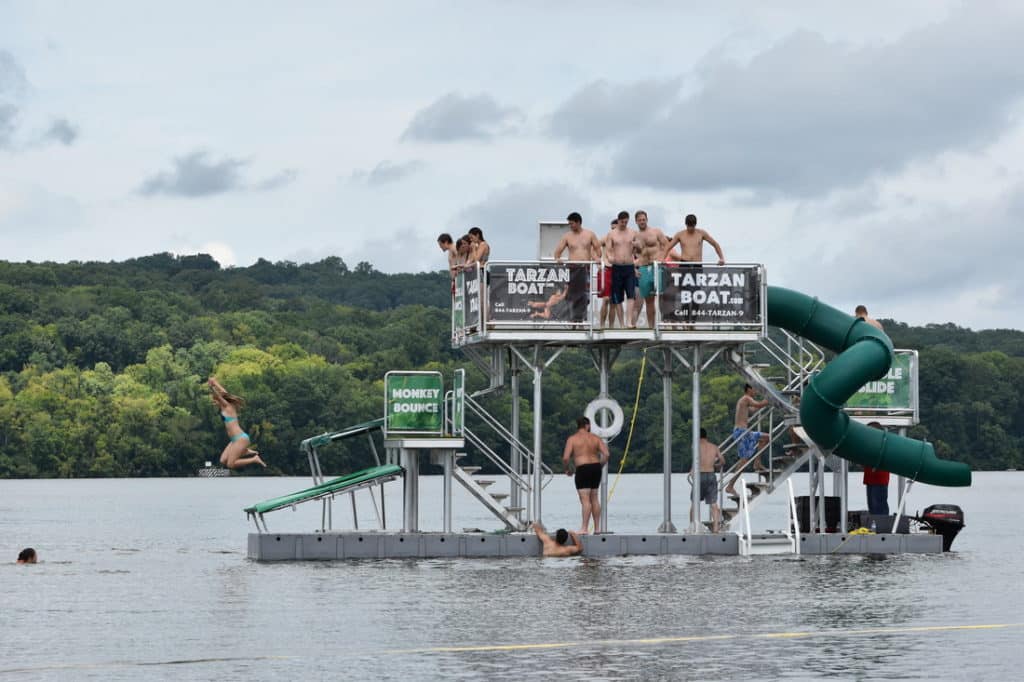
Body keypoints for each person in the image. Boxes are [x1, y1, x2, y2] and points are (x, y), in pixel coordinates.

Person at [562, 416, 610, 534]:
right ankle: (597, 528)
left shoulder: (572, 439)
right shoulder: (596, 438)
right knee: (594, 498)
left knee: (585, 500)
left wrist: (568, 469)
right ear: (587, 425)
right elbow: (607, 454)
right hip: (595, 467)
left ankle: (584, 528)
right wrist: (600, 465)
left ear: (578, 426)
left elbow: (566, 458)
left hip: (582, 468)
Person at [553, 212, 603, 322]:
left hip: (585, 268)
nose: (570, 226)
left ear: (578, 222)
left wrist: (596, 258)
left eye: (572, 223)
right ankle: (573, 320)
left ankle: (582, 318)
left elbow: (598, 250)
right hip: (572, 268)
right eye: (569, 224)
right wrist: (558, 260)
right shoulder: (567, 236)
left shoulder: (590, 234)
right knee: (571, 296)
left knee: (585, 295)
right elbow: (557, 253)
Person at [208, 377, 267, 469]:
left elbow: (221, 396)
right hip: (234, 440)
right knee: (223, 460)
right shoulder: (225, 406)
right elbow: (225, 393)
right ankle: (245, 451)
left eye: (215, 401)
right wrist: (216, 383)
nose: (214, 402)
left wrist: (212, 387)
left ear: (220, 400)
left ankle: (254, 459)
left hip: (240, 439)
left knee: (230, 464)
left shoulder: (227, 406)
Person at [725, 384, 770, 496]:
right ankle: (730, 486)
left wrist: (765, 403)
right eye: (755, 389)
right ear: (749, 389)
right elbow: (759, 404)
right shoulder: (746, 398)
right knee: (744, 461)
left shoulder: (745, 401)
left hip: (746, 432)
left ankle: (757, 463)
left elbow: (753, 410)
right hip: (741, 433)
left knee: (766, 438)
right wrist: (770, 398)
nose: (756, 391)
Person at [631, 210, 669, 327]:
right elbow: (629, 254)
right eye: (639, 220)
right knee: (649, 300)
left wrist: (662, 258)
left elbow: (666, 245)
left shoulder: (656, 232)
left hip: (656, 266)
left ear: (647, 219)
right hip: (643, 267)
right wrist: (634, 269)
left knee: (663, 296)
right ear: (636, 221)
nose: (642, 222)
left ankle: (666, 323)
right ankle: (651, 326)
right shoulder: (634, 236)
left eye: (643, 219)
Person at [603, 210, 637, 328]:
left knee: (631, 295)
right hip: (617, 267)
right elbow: (608, 249)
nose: (624, 224)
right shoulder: (612, 234)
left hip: (629, 267)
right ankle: (622, 323)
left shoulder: (633, 232)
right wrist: (610, 256)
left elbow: (639, 249)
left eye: (626, 222)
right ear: (618, 221)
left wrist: (637, 248)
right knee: (617, 297)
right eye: (622, 222)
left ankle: (628, 322)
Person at [691, 428, 726, 532]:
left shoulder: (695, 446)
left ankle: (692, 526)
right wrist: (716, 465)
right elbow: (723, 461)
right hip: (711, 474)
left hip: (699, 475)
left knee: (694, 502)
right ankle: (716, 527)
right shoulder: (714, 447)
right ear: (706, 436)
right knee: (713, 503)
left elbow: (695, 460)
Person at [864, 421, 890, 515]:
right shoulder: (870, 444)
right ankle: (875, 525)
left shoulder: (882, 444)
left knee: (878, 506)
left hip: (879, 480)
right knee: (872, 506)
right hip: (870, 480)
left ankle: (881, 526)